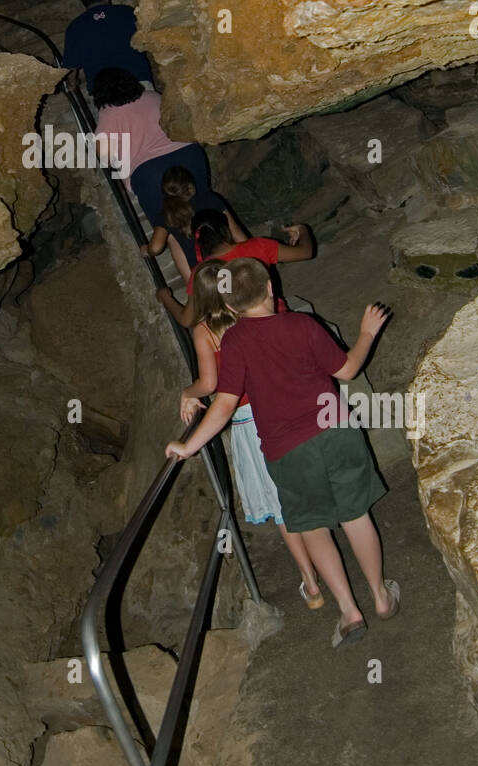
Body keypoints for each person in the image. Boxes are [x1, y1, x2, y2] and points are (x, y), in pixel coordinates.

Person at [167, 257, 399, 649]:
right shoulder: (303, 324)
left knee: (311, 527)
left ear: (229, 308)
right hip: (336, 432)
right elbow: (347, 370)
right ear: (271, 289)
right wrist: (366, 333)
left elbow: (223, 404)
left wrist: (188, 445)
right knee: (356, 516)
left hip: (287, 450)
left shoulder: (235, 340)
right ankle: (380, 596)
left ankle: (349, 611)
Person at [184, 260, 323, 606]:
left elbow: (210, 383)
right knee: (297, 488)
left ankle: (311, 580)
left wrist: (188, 392)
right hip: (278, 406)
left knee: (279, 506)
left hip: (247, 418)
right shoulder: (254, 312)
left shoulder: (205, 331)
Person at [93, 70, 211, 241]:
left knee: (169, 233)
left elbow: (102, 153)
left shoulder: (108, 113)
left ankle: (194, 264)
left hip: (151, 173)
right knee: (208, 214)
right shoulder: (153, 96)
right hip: (188, 155)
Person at [158, 210, 314, 327]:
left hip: (239, 334)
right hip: (276, 317)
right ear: (226, 230)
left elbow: (187, 320)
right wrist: (303, 230)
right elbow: (306, 252)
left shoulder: (202, 272)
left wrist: (166, 298)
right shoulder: (258, 246)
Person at [62, 0, 154, 97]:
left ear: (83, 2)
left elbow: (70, 71)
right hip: (138, 82)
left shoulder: (74, 28)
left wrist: (72, 83)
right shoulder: (127, 13)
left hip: (104, 93)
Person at [139, 166, 237, 274]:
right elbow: (237, 234)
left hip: (204, 275)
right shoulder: (210, 199)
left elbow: (155, 248)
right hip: (229, 262)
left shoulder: (165, 216)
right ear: (191, 187)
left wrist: (146, 250)